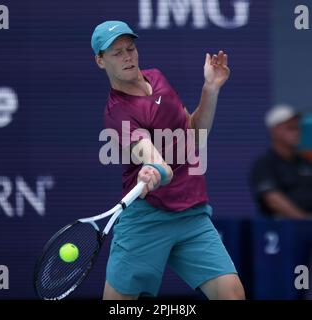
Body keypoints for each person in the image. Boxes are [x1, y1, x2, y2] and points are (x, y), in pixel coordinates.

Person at [91, 20, 245, 300]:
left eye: (130, 48)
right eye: (116, 53)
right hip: (147, 218)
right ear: (101, 61)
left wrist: (210, 88)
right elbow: (154, 160)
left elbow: (194, 137)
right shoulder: (118, 113)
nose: (127, 56)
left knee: (232, 295)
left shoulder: (157, 78)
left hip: (191, 214)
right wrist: (153, 169)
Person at [250, 104, 312, 219]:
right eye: (290, 128)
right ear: (274, 131)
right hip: (282, 229)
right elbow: (273, 199)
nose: (296, 132)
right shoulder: (264, 163)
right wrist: (304, 221)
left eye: (297, 128)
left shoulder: (306, 162)